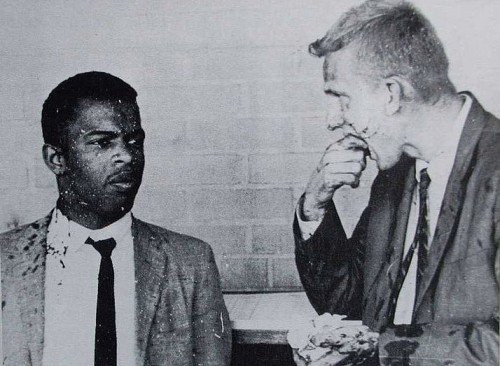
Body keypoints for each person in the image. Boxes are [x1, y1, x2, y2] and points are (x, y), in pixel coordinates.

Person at [293, 1, 499, 364]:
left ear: (391, 94)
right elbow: (349, 306)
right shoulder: (395, 178)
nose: (332, 121)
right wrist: (316, 202)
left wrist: (381, 348)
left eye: (341, 98)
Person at [0, 71, 231, 366]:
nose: (126, 156)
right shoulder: (6, 262)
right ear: (56, 159)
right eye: (102, 143)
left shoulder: (191, 262)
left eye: (134, 141)